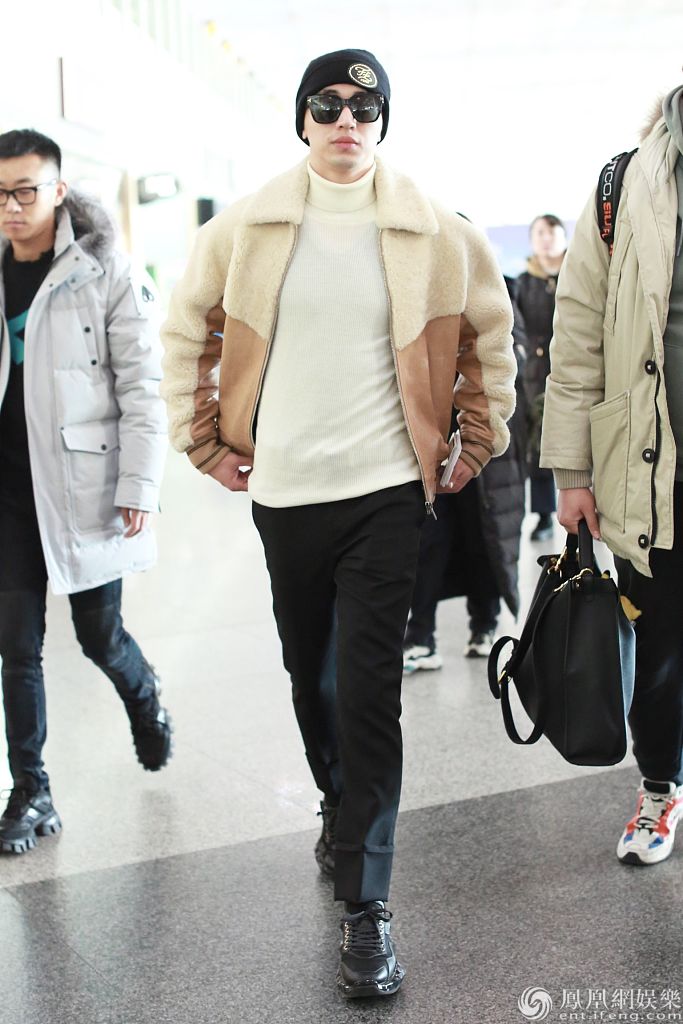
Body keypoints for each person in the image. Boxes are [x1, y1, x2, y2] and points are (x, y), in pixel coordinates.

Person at [161, 49, 516, 997]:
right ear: (302, 119)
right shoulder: (248, 226)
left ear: (384, 121)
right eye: (327, 105)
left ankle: (368, 904)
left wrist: (475, 437)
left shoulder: (435, 230)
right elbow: (186, 330)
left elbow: (489, 340)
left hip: (388, 494)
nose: (346, 120)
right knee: (310, 676)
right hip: (284, 493)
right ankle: (335, 803)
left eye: (365, 106)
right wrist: (203, 438)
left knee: (367, 693)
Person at [0, 130, 171, 856]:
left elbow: (143, 386)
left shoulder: (104, 271)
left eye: (25, 191)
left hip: (83, 486)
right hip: (7, 494)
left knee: (99, 637)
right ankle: (31, 789)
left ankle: (144, 693)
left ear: (58, 190)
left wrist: (139, 483)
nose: (11, 207)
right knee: (16, 647)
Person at [540, 83, 683, 866]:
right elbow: (578, 336)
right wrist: (570, 469)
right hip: (651, 475)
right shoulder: (623, 183)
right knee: (657, 655)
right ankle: (659, 787)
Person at [404, 279, 527, 668]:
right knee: (428, 543)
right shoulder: (415, 295)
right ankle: (420, 635)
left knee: (484, 539)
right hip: (430, 443)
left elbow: (512, 362)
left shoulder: (497, 293)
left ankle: (484, 624)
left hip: (489, 452)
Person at [517, 214, 566, 541]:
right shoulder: (523, 282)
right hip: (536, 376)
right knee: (540, 445)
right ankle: (545, 515)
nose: (545, 238)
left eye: (551, 232)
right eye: (539, 233)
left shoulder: (578, 274)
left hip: (575, 367)